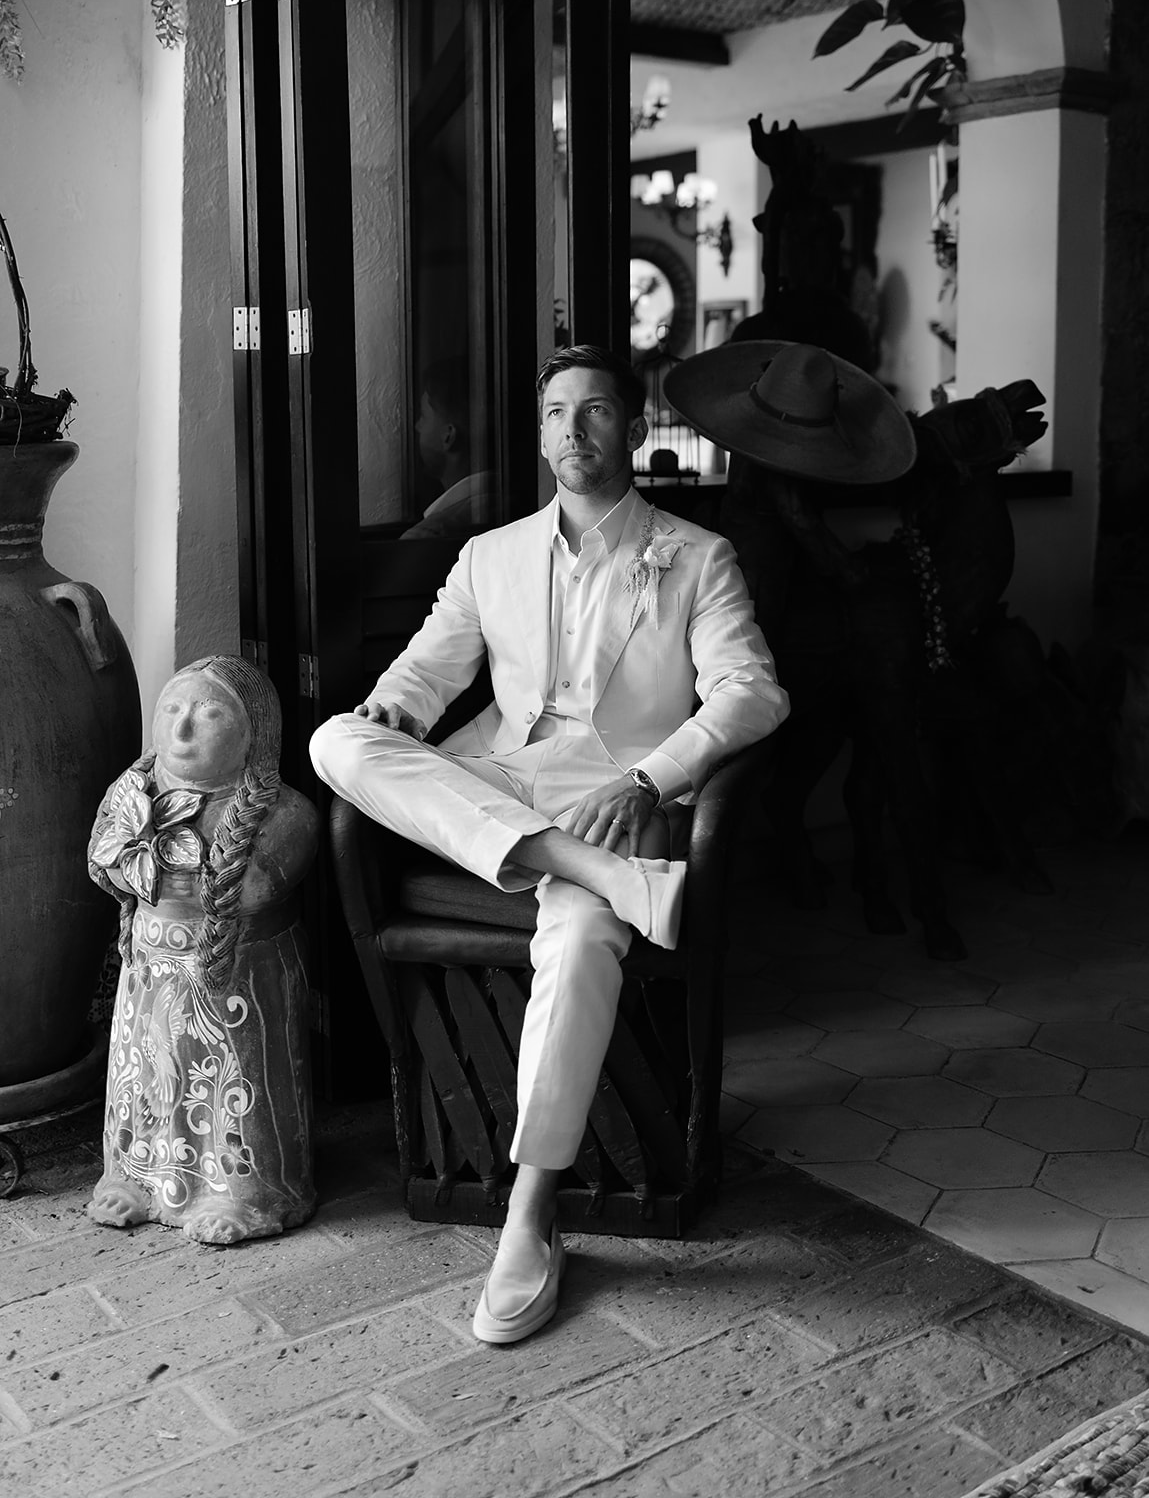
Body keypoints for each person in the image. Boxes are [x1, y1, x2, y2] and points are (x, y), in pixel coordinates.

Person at [310, 343, 788, 1344]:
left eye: (596, 413)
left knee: (576, 943)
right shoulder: (490, 555)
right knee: (332, 739)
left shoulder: (698, 557)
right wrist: (391, 709)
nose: (572, 433)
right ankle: (607, 880)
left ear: (635, 427)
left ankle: (530, 1215)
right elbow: (422, 679)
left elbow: (753, 692)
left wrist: (652, 778)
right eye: (556, 414)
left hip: (619, 793)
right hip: (502, 783)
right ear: (537, 434)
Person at [87, 656, 319, 1245]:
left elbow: (254, 887)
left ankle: (243, 1190)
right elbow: (101, 862)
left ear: (252, 733)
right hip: (151, 966)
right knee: (147, 1074)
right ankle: (137, 1175)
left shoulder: (281, 811)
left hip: (238, 977)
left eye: (209, 713)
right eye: (173, 710)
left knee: (231, 1083)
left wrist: (157, 864)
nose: (183, 729)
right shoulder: (130, 794)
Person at [401, 357, 493, 540]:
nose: (417, 426)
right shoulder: (505, 503)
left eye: (424, 416)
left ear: (448, 436)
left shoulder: (426, 536)